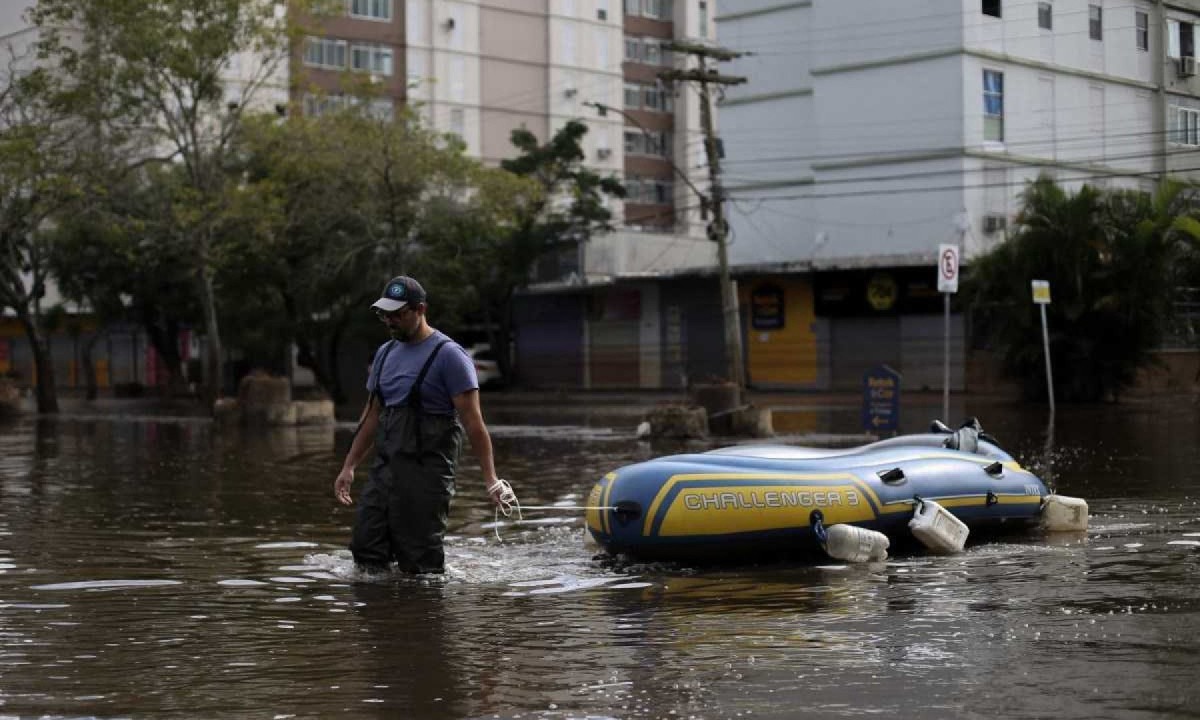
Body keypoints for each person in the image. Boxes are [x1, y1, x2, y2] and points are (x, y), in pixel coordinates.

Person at [333, 275, 506, 574]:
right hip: (385, 472)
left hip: (428, 476)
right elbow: (372, 415)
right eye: (384, 314)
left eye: (398, 314)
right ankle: (381, 616)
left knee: (420, 565)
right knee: (365, 550)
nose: (390, 321)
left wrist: (491, 479)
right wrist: (349, 466)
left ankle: (424, 616)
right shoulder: (384, 355)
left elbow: (474, 423)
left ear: (420, 309)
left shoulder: (450, 356)